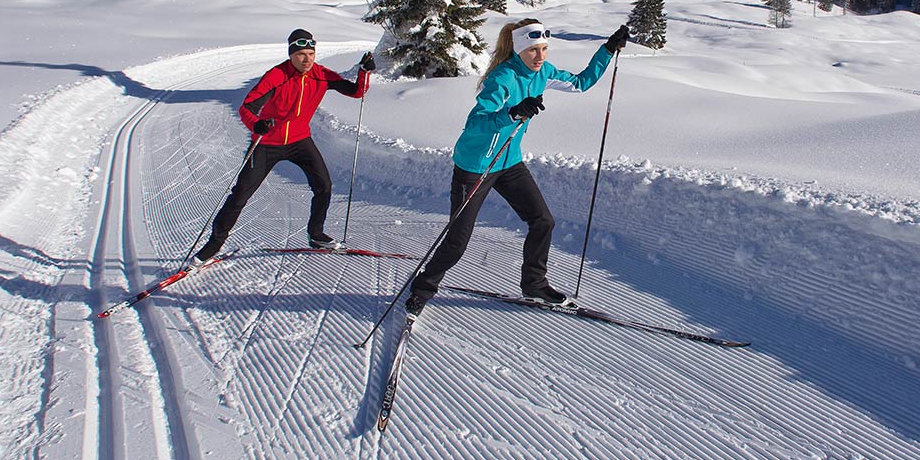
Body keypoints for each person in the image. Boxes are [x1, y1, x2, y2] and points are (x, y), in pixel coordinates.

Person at [405, 19, 630, 315]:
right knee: (458, 241)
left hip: (509, 161)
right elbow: (475, 124)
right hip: (476, 165)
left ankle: (534, 283)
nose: (541, 56)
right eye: (534, 50)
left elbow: (581, 83)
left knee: (543, 221)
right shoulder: (502, 79)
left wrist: (608, 49)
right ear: (519, 49)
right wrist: (510, 114)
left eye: (545, 49)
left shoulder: (544, 73)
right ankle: (422, 289)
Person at [187, 29, 375, 268]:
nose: (307, 59)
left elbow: (357, 92)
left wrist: (363, 72)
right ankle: (212, 246)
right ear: (291, 55)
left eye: (311, 53)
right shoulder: (276, 76)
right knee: (240, 195)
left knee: (324, 185)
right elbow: (246, 108)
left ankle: (316, 235)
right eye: (300, 55)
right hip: (267, 144)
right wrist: (257, 124)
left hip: (300, 141)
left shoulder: (321, 75)